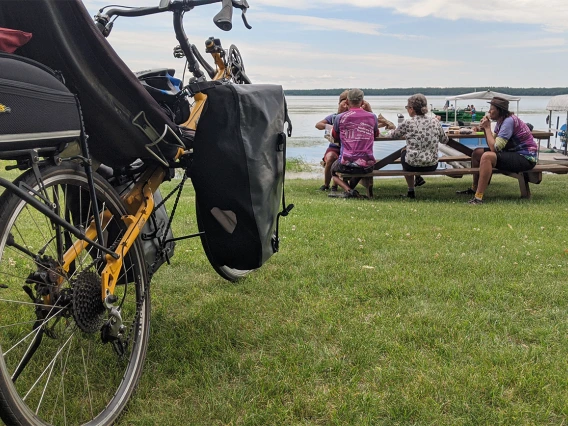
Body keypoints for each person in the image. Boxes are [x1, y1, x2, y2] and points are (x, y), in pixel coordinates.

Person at [457, 96, 538, 204]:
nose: (489, 111)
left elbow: (494, 148)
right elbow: (493, 141)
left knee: (487, 156)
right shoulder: (501, 121)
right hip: (513, 153)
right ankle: (474, 188)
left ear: (499, 110)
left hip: (526, 157)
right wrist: (485, 130)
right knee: (477, 153)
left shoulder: (509, 121)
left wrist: (487, 128)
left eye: (491, 109)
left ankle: (478, 198)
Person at [386, 93, 448, 198]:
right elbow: (445, 140)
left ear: (412, 109)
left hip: (411, 165)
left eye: (407, 107)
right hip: (432, 165)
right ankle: (418, 178)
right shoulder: (435, 122)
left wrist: (388, 131)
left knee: (404, 152)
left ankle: (411, 190)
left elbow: (394, 135)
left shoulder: (408, 123)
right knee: (410, 151)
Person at [328, 88, 380, 198]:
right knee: (360, 168)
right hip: (367, 165)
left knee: (333, 171)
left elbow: (335, 136)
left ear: (346, 101)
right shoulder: (372, 117)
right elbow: (376, 134)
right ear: (362, 102)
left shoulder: (340, 117)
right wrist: (370, 111)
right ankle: (351, 191)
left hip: (345, 164)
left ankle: (348, 190)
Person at [315, 90, 349, 192]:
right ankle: (326, 185)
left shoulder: (355, 117)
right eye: (343, 103)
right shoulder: (333, 117)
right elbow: (318, 125)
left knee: (344, 158)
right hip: (335, 147)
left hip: (349, 148)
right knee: (331, 157)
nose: (345, 107)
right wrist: (331, 127)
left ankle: (336, 185)